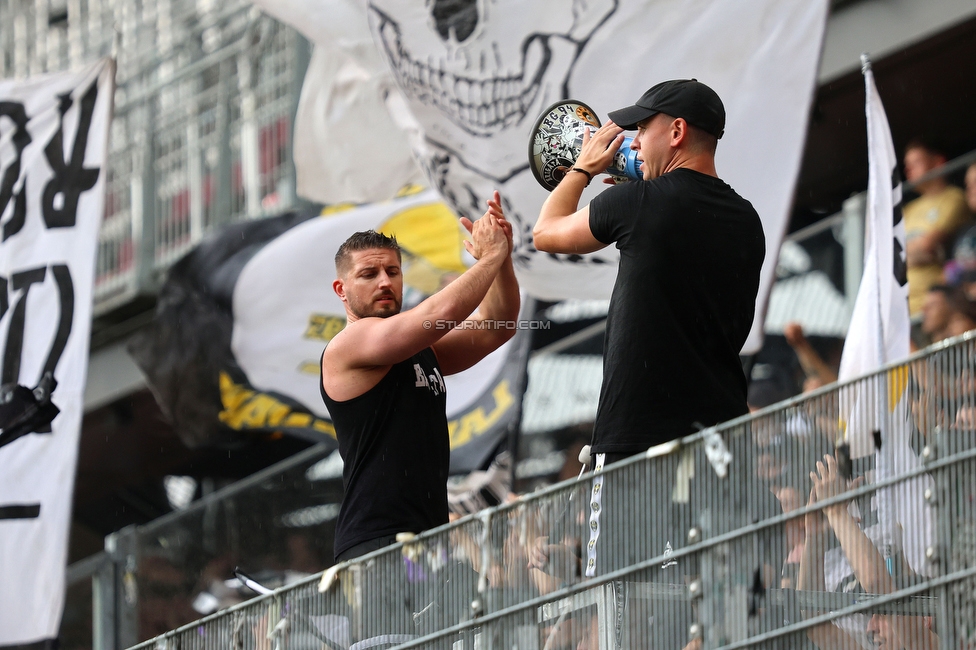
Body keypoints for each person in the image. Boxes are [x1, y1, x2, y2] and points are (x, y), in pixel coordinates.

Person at [533, 79, 765, 463]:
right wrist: (653, 185)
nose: (635, 142)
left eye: (641, 128)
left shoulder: (635, 202)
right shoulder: (747, 219)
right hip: (723, 436)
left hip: (637, 437)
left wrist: (583, 168)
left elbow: (545, 232)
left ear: (677, 131)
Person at [321, 192, 520, 563]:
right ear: (341, 290)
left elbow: (500, 325)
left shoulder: (417, 349)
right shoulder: (348, 345)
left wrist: (502, 258)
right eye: (368, 274)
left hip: (429, 538)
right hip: (377, 543)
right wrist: (488, 259)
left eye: (392, 272)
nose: (384, 282)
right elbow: (441, 310)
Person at [902, 139, 972, 315]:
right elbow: (892, 256)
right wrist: (918, 254)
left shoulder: (953, 197)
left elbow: (927, 245)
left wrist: (906, 255)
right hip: (905, 309)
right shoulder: (908, 210)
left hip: (936, 306)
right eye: (907, 165)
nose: (908, 169)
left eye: (916, 162)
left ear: (938, 162)